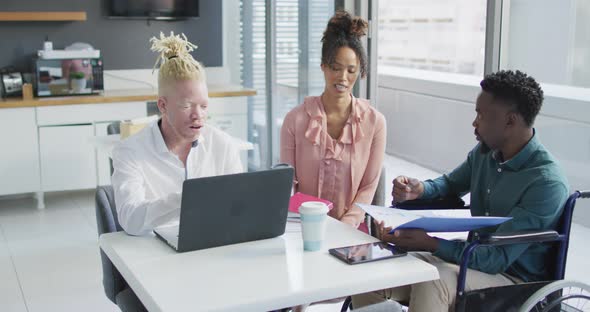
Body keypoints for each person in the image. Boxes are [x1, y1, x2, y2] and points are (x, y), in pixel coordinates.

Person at [352, 70, 569, 312]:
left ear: (510, 121)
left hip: (515, 282)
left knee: (433, 281)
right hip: (472, 261)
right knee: (371, 270)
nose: (474, 122)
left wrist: (431, 243)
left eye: (481, 114)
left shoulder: (546, 182)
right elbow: (450, 184)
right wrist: (419, 189)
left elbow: (494, 259)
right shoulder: (486, 153)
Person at [112, 32, 242, 236]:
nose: (197, 115)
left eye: (204, 106)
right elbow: (131, 219)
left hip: (213, 247)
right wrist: (188, 198)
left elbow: (238, 206)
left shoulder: (222, 144)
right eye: (186, 106)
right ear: (163, 106)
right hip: (156, 255)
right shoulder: (129, 152)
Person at [280, 11, 386, 229]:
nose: (343, 78)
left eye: (351, 70)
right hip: (302, 227)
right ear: (323, 66)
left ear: (360, 72)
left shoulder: (375, 123)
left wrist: (344, 227)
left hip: (352, 232)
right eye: (336, 68)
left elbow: (368, 187)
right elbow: (286, 184)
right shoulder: (295, 120)